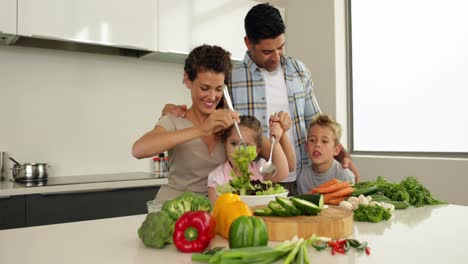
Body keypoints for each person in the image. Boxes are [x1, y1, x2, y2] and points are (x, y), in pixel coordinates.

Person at [161, 3, 360, 195]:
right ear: (248, 43)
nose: (276, 56)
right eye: (267, 51)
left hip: (298, 178)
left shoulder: (299, 71)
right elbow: (209, 113)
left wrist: (342, 155)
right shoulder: (232, 76)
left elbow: (316, 122)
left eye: (280, 47)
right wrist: (176, 111)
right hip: (256, 180)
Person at [132, 45, 239, 202]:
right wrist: (201, 129)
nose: (212, 96)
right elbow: (139, 149)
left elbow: (278, 162)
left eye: (218, 89)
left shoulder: (230, 124)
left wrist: (278, 134)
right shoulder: (174, 120)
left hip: (215, 211)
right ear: (187, 80)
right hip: (172, 210)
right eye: (205, 88)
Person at [207, 115, 295, 203]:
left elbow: (282, 173)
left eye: (247, 146)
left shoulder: (259, 168)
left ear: (257, 150)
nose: (240, 150)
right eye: (234, 143)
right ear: (225, 144)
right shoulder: (216, 177)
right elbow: (215, 207)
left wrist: (275, 143)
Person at [298, 114, 355, 194]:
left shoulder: (345, 176)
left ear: (336, 150)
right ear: (306, 146)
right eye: (312, 140)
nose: (317, 144)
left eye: (324, 141)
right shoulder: (303, 175)